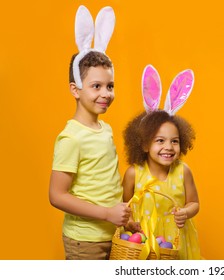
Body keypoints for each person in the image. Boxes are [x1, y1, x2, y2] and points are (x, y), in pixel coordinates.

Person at [49, 5, 133, 260]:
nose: (106, 93)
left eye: (110, 86)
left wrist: (123, 219)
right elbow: (57, 195)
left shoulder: (105, 130)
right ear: (75, 90)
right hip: (84, 240)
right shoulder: (71, 138)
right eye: (96, 86)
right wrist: (107, 214)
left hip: (112, 235)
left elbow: (106, 186)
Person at [122, 65, 201, 259]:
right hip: (143, 241)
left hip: (176, 243)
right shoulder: (134, 173)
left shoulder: (183, 171)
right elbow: (124, 205)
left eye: (174, 141)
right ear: (145, 145)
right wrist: (129, 222)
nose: (168, 147)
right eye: (160, 141)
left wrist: (185, 212)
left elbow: (194, 203)